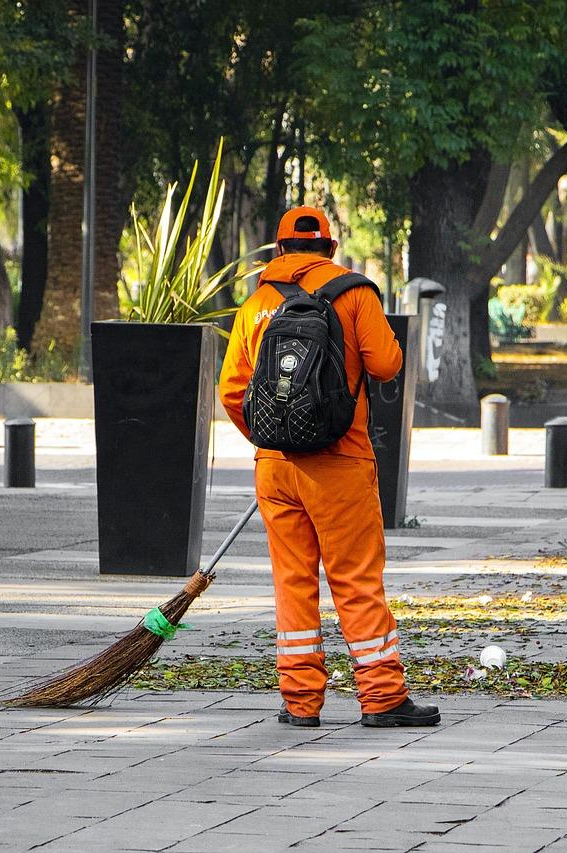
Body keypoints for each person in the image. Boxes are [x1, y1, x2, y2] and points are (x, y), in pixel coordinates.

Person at [218, 206, 439, 728]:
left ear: (278, 251)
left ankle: (299, 702)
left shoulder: (256, 304)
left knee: (293, 582)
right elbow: (386, 364)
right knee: (357, 579)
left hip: (275, 468)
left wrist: (277, 438)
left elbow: (232, 392)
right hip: (340, 463)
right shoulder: (354, 292)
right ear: (331, 249)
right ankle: (382, 697)